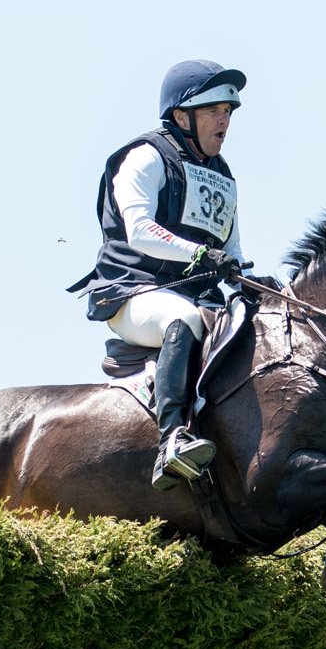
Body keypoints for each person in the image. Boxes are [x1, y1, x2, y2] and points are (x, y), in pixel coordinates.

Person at [72, 59, 258, 490]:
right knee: (183, 318)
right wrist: (202, 255)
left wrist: (250, 283)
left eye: (228, 111)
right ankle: (172, 440)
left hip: (199, 297)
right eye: (213, 110)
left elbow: (231, 251)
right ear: (181, 116)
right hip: (132, 292)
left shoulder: (222, 175)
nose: (224, 120)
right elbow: (139, 230)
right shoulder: (145, 157)